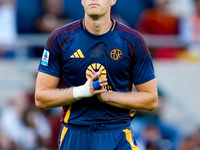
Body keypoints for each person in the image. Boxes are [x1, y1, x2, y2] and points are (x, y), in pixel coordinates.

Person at [35, 0, 158, 149]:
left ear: (113, 0)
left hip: (118, 134)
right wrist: (83, 91)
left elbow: (151, 99)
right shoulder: (60, 38)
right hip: (75, 133)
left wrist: (108, 96)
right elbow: (41, 98)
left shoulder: (132, 40)